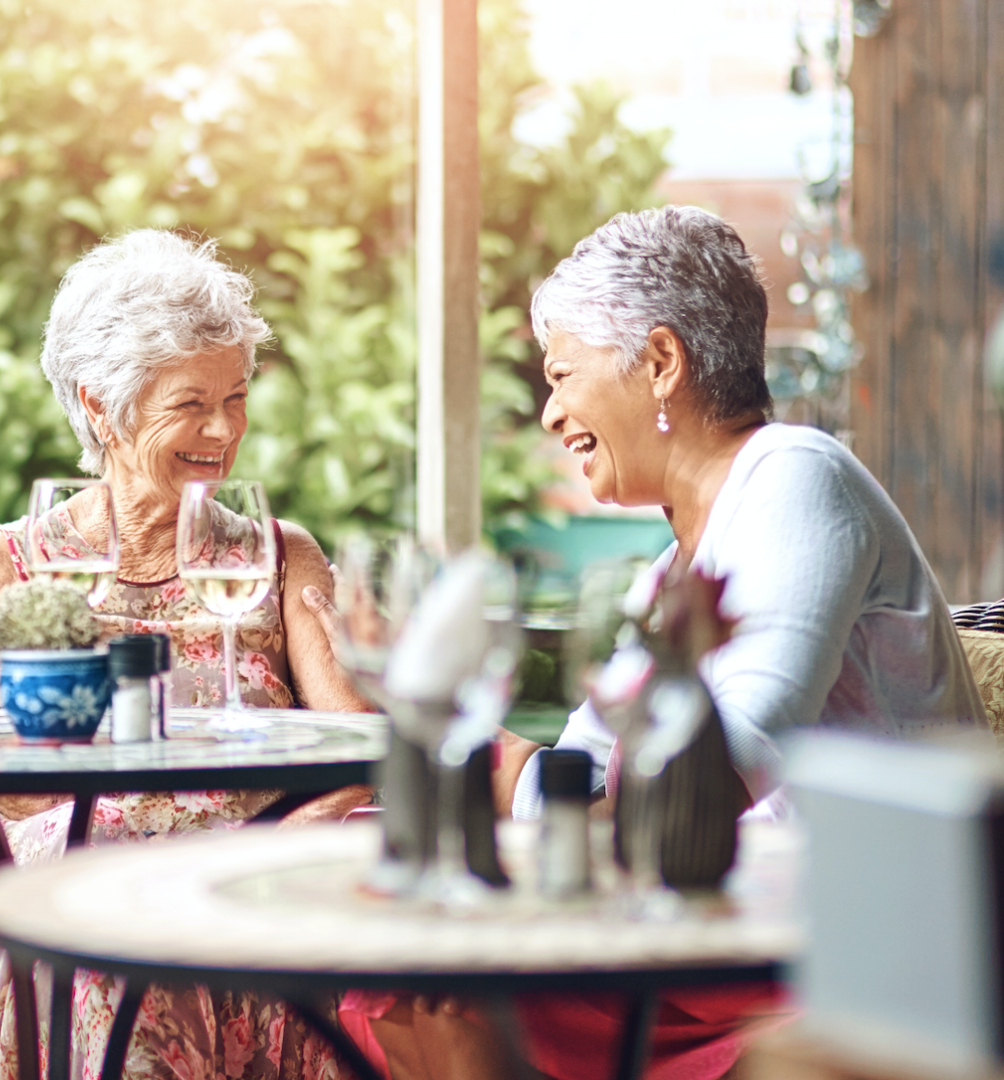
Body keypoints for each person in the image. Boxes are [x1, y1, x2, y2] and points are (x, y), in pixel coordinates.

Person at [338, 206, 983, 1080]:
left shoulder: (794, 475)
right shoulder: (668, 570)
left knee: (442, 979)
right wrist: (478, 758)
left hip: (843, 939)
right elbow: (584, 776)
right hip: (715, 925)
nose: (552, 413)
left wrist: (525, 803)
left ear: (661, 362)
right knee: (396, 975)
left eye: (562, 374)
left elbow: (715, 763)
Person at [0, 229, 371, 1080]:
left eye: (236, 397)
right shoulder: (3, 563)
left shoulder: (281, 556)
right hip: (62, 858)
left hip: (243, 868)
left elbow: (360, 747)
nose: (222, 428)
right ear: (99, 405)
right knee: (100, 924)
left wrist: (270, 842)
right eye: (189, 403)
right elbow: (7, 790)